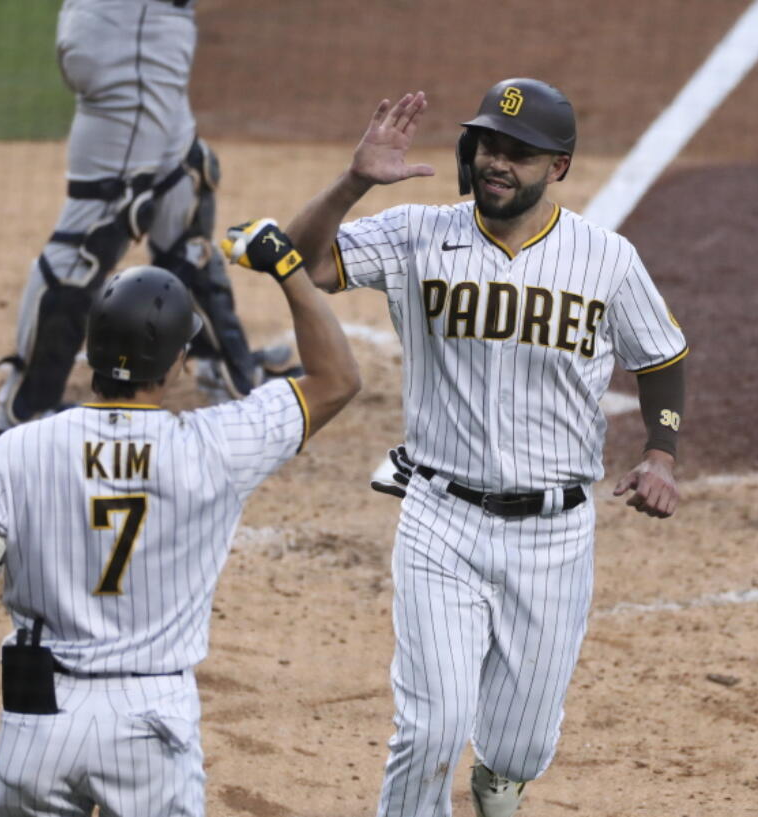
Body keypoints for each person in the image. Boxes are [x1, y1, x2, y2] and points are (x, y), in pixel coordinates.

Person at [284, 79, 688, 816]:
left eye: (519, 154)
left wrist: (660, 452)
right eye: (489, 146)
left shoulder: (606, 259)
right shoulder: (416, 234)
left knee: (520, 746)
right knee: (430, 726)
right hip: (442, 520)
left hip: (556, 534)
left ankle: (498, 784)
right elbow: (297, 262)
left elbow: (660, 355)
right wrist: (351, 184)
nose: (497, 163)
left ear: (557, 166)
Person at [0, 220, 359, 816]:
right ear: (179, 362)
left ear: (90, 350)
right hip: (151, 722)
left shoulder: (17, 451)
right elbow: (338, 379)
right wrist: (288, 270)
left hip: (39, 722)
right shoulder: (219, 445)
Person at [0, 0, 298, 433]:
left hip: (145, 30)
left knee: (183, 186)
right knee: (100, 226)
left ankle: (224, 368)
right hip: (132, 28)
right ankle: (26, 410)